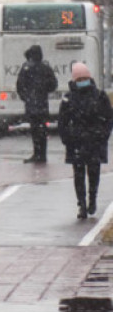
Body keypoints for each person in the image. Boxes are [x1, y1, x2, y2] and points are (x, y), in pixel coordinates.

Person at [58, 62, 113, 219]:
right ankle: (82, 204)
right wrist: (67, 139)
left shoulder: (99, 96)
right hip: (77, 142)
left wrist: (102, 136)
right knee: (79, 174)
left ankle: (92, 200)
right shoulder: (69, 98)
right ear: (75, 79)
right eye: (79, 78)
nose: (82, 80)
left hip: (94, 141)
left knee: (93, 173)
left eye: (85, 77)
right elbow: (62, 121)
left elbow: (108, 118)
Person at [17, 45, 58, 163]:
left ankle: (37, 153)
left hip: (32, 105)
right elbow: (53, 84)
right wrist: (43, 91)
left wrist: (26, 97)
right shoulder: (46, 68)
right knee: (42, 130)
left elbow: (19, 86)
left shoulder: (26, 68)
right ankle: (42, 155)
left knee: (35, 130)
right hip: (42, 105)